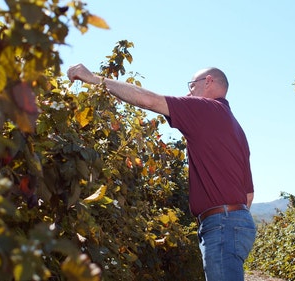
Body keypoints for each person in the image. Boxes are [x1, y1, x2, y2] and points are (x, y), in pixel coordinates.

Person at [67, 64, 256, 281]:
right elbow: (248, 195)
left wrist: (93, 78)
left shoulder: (205, 108)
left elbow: (149, 100)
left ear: (209, 82)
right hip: (236, 223)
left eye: (192, 86)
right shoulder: (236, 129)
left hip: (222, 224)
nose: (189, 92)